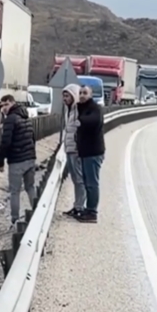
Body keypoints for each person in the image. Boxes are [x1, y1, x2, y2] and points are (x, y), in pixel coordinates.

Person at [0, 94, 37, 226]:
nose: (4, 108)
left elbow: (5, 142)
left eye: (6, 105)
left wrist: (0, 162)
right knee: (30, 187)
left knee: (14, 191)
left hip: (17, 161)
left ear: (12, 103)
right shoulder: (25, 117)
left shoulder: (11, 119)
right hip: (30, 159)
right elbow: (32, 138)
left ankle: (15, 219)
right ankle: (37, 212)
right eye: (2, 105)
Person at [73, 85, 105, 223]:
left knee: (92, 183)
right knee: (87, 182)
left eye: (85, 93)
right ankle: (88, 209)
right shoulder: (82, 108)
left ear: (91, 95)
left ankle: (92, 211)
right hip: (85, 152)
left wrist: (79, 121)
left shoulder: (95, 109)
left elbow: (93, 120)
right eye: (80, 93)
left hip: (93, 152)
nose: (82, 95)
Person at [59, 84, 86, 217]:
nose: (64, 98)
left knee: (79, 179)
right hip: (69, 148)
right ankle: (77, 205)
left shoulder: (78, 110)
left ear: (74, 95)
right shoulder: (68, 110)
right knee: (75, 179)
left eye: (67, 95)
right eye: (64, 95)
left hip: (76, 149)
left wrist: (78, 145)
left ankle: (80, 206)